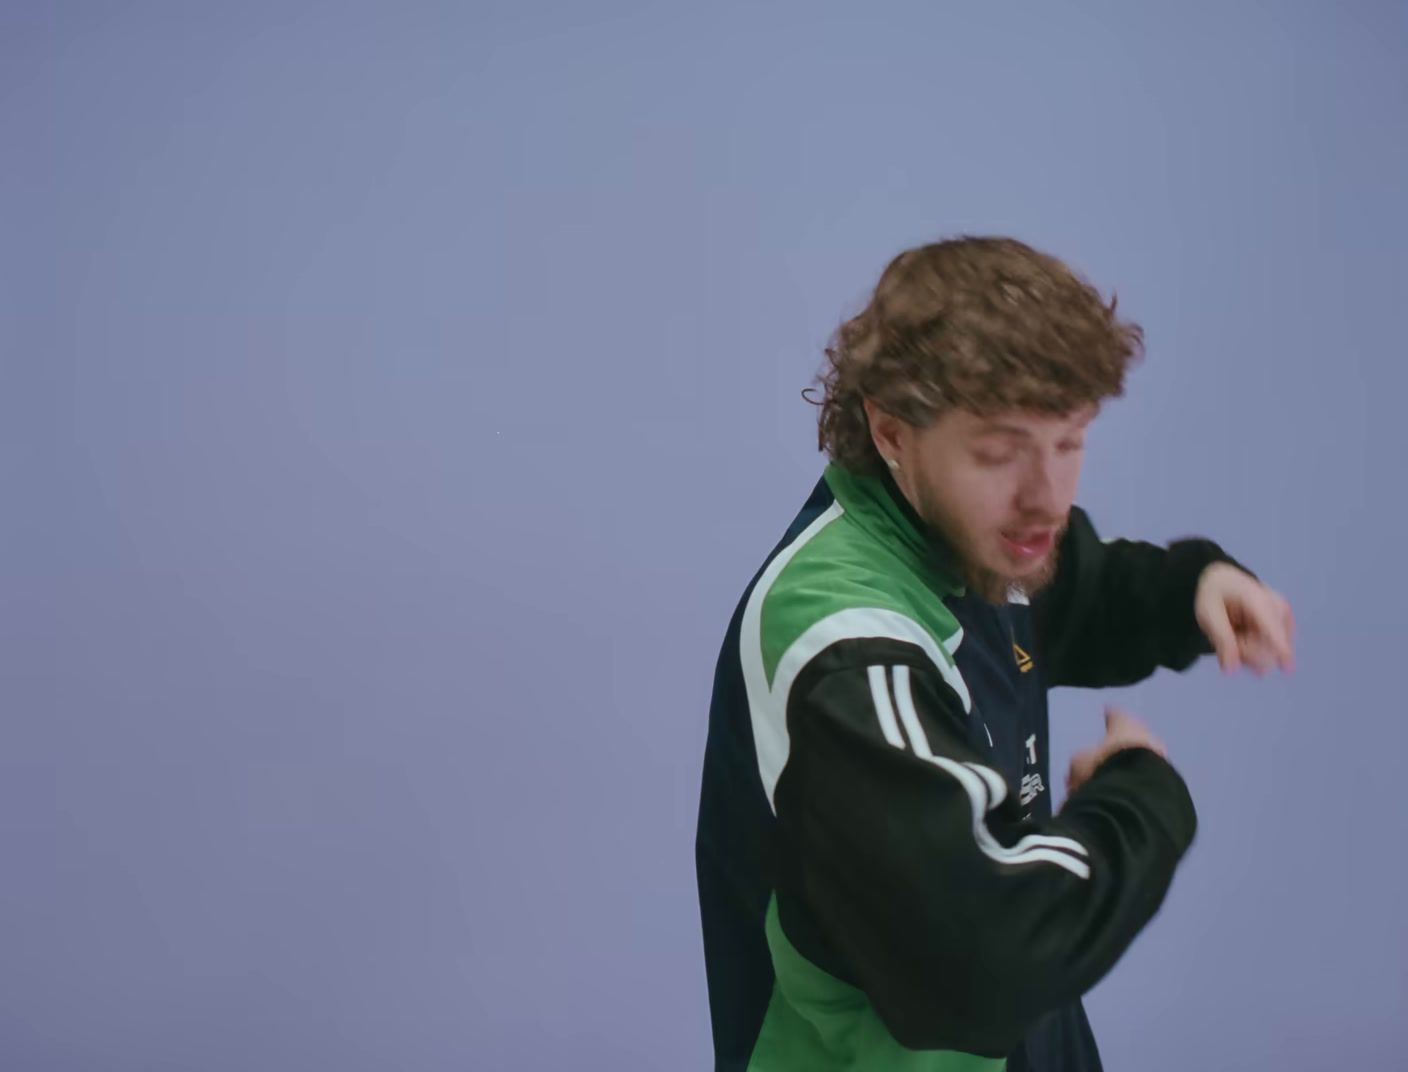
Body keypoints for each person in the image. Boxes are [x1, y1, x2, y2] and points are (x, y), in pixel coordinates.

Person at [695, 237, 1295, 1072]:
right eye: (1000, 449)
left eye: (1071, 440)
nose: (1047, 497)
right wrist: (1138, 794)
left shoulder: (975, 534)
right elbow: (987, 958)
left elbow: (1069, 591)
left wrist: (1187, 590)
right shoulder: (846, 647)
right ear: (892, 428)